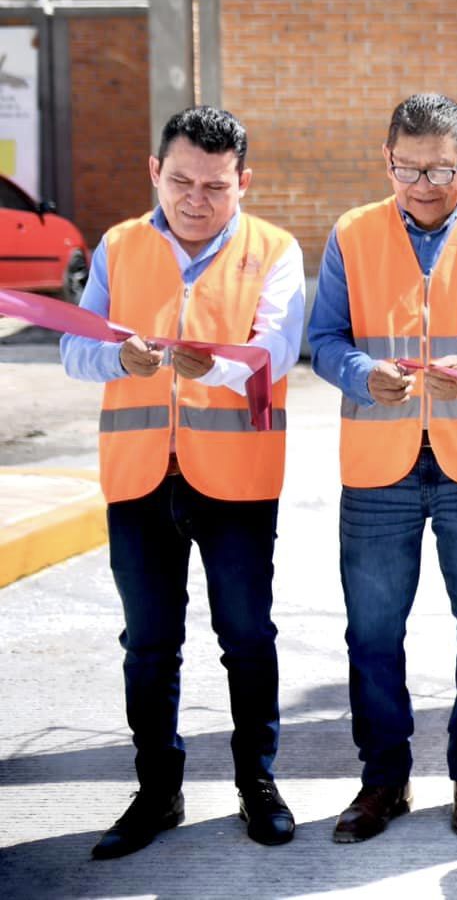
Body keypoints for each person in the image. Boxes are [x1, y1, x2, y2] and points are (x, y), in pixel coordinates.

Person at [58, 106, 304, 858]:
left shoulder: (275, 249)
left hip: (235, 481)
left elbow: (278, 350)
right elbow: (75, 347)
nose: (197, 198)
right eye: (181, 181)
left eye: (217, 186)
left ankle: (256, 784)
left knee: (246, 636)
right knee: (149, 644)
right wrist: (118, 360)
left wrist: (215, 366)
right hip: (138, 479)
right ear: (153, 174)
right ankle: (157, 791)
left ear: (244, 183)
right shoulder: (120, 245)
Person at [307, 94, 457, 843]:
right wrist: (361, 372)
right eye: (409, 167)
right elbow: (326, 337)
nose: (425, 182)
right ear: (387, 161)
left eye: (440, 166)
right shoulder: (352, 233)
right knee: (372, 632)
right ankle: (383, 780)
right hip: (379, 464)